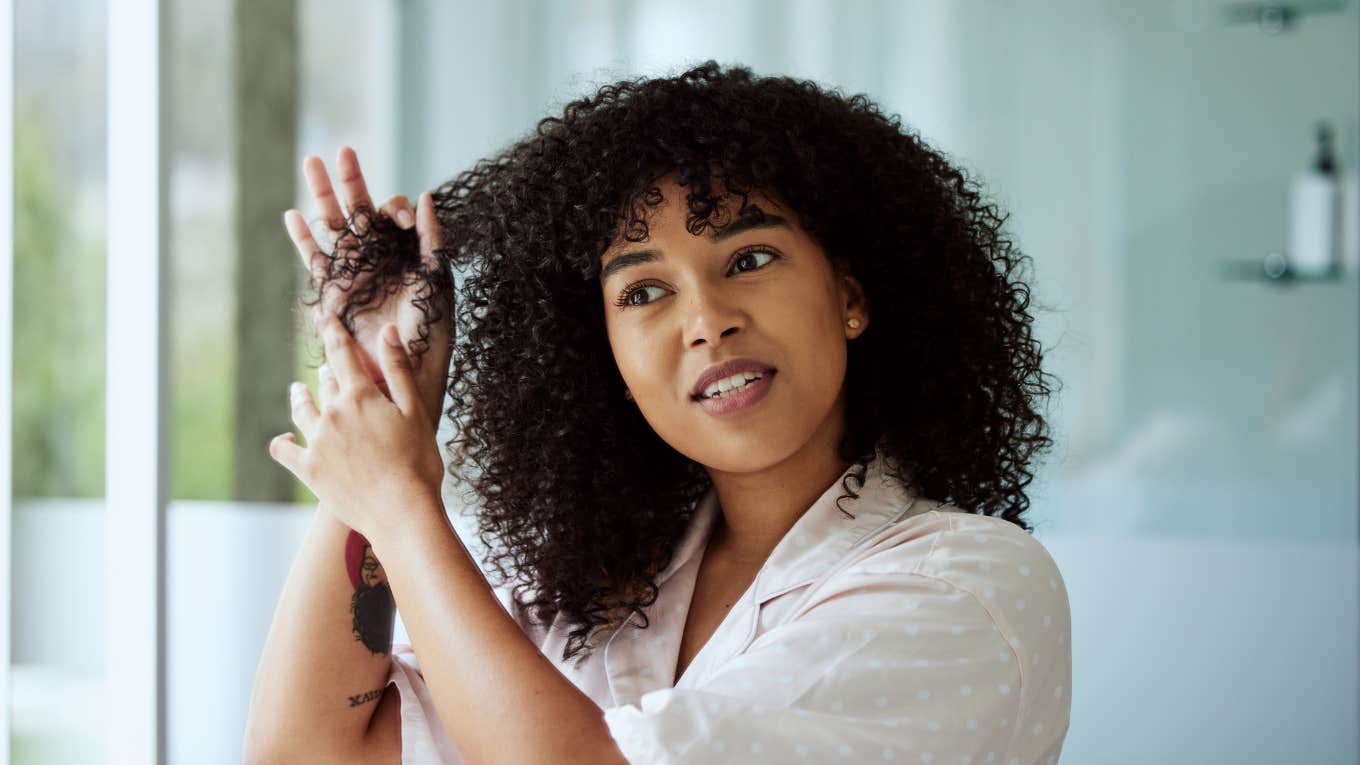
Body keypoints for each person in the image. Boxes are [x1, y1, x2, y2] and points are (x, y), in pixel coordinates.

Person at [243, 61, 1071, 765]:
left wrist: (397, 501)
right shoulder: (584, 593)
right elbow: (310, 753)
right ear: (609, 359)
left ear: (849, 295)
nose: (706, 318)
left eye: (749, 259)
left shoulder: (964, 586)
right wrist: (386, 396)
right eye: (644, 291)